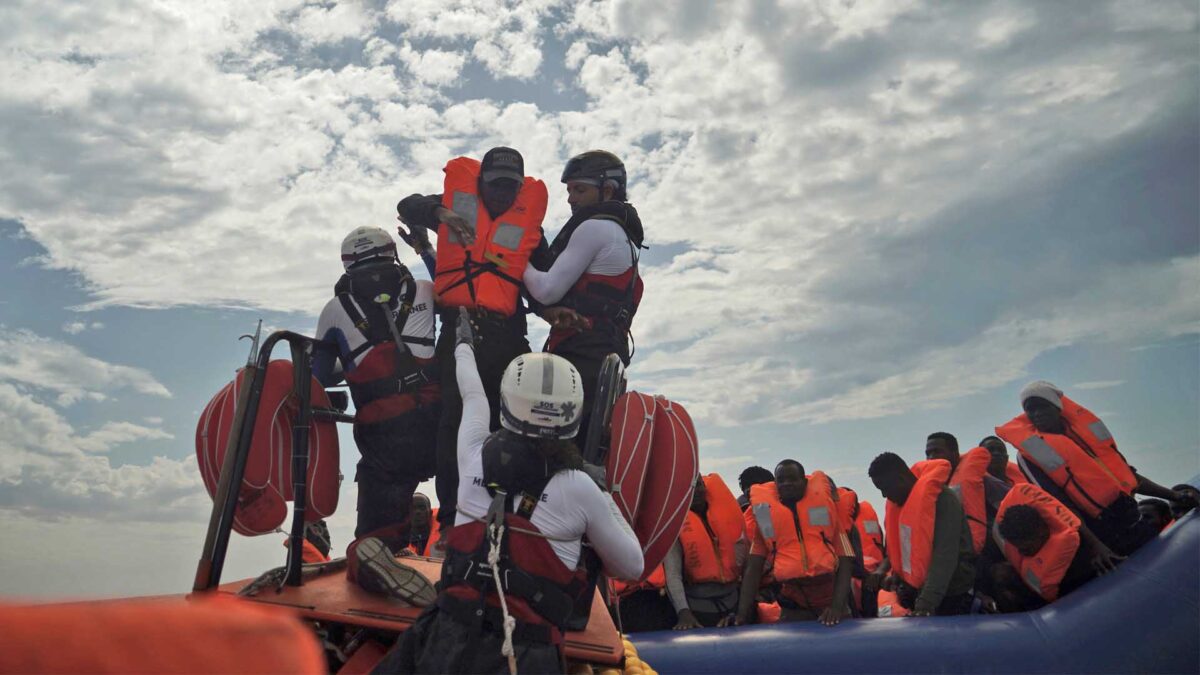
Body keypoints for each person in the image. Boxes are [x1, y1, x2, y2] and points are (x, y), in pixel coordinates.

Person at [382, 309, 643, 674]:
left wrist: (463, 345)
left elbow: (471, 391)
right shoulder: (581, 487)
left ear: (507, 402)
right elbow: (631, 565)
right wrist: (603, 493)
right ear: (573, 414)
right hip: (524, 656)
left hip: (445, 639)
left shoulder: (472, 452)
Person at [397, 147, 549, 529]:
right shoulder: (453, 206)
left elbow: (540, 285)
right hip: (460, 329)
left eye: (511, 187)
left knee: (517, 421)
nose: (503, 193)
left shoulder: (531, 228)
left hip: (509, 334)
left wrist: (554, 313)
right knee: (455, 422)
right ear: (480, 183)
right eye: (496, 184)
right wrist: (441, 214)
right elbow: (406, 204)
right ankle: (452, 519)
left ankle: (510, 516)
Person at [313, 227, 440, 553]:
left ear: (347, 264)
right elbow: (459, 289)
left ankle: (381, 554)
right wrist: (424, 248)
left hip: (383, 437)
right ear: (391, 253)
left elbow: (320, 375)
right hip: (437, 426)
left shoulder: (334, 310)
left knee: (376, 535)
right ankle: (451, 545)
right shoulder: (426, 290)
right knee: (454, 498)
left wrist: (352, 360)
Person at [521, 150, 646, 446]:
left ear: (607, 190)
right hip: (606, 354)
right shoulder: (627, 241)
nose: (571, 199)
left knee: (554, 448)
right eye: (569, 190)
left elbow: (546, 290)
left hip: (580, 355)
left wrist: (513, 258)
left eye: (580, 189)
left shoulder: (594, 228)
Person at [995, 381, 1198, 555]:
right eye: (1031, 409)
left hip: (1132, 516)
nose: (1037, 413)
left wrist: (1174, 496)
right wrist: (1097, 547)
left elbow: (1129, 477)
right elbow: (1060, 505)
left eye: (1042, 406)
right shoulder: (1030, 455)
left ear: (1057, 408)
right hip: (1102, 532)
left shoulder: (1084, 436)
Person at [734, 460, 855, 626]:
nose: (786, 484)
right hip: (793, 605)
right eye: (781, 480)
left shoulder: (826, 512)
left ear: (804, 481)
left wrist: (836, 607)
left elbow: (846, 560)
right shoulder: (766, 519)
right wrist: (742, 614)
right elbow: (754, 568)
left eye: (792, 479)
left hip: (831, 601)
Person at [868, 453, 976, 616]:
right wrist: (894, 576)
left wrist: (925, 605)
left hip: (952, 591)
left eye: (885, 489)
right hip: (920, 590)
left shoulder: (944, 500)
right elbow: (906, 550)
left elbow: (944, 557)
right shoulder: (902, 504)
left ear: (901, 479)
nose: (884, 496)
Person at [994, 483, 1111, 605]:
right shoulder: (1010, 539)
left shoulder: (1072, 539)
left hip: (1075, 574)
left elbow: (1074, 522)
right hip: (1044, 593)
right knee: (1001, 575)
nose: (1022, 553)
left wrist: (1096, 545)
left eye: (1027, 548)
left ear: (1041, 532)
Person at [664, 474, 747, 629]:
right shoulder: (674, 526)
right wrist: (684, 613)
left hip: (734, 603)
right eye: (689, 487)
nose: (695, 491)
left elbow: (748, 562)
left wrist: (743, 610)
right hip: (698, 609)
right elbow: (672, 575)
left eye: (699, 484)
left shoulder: (729, 516)